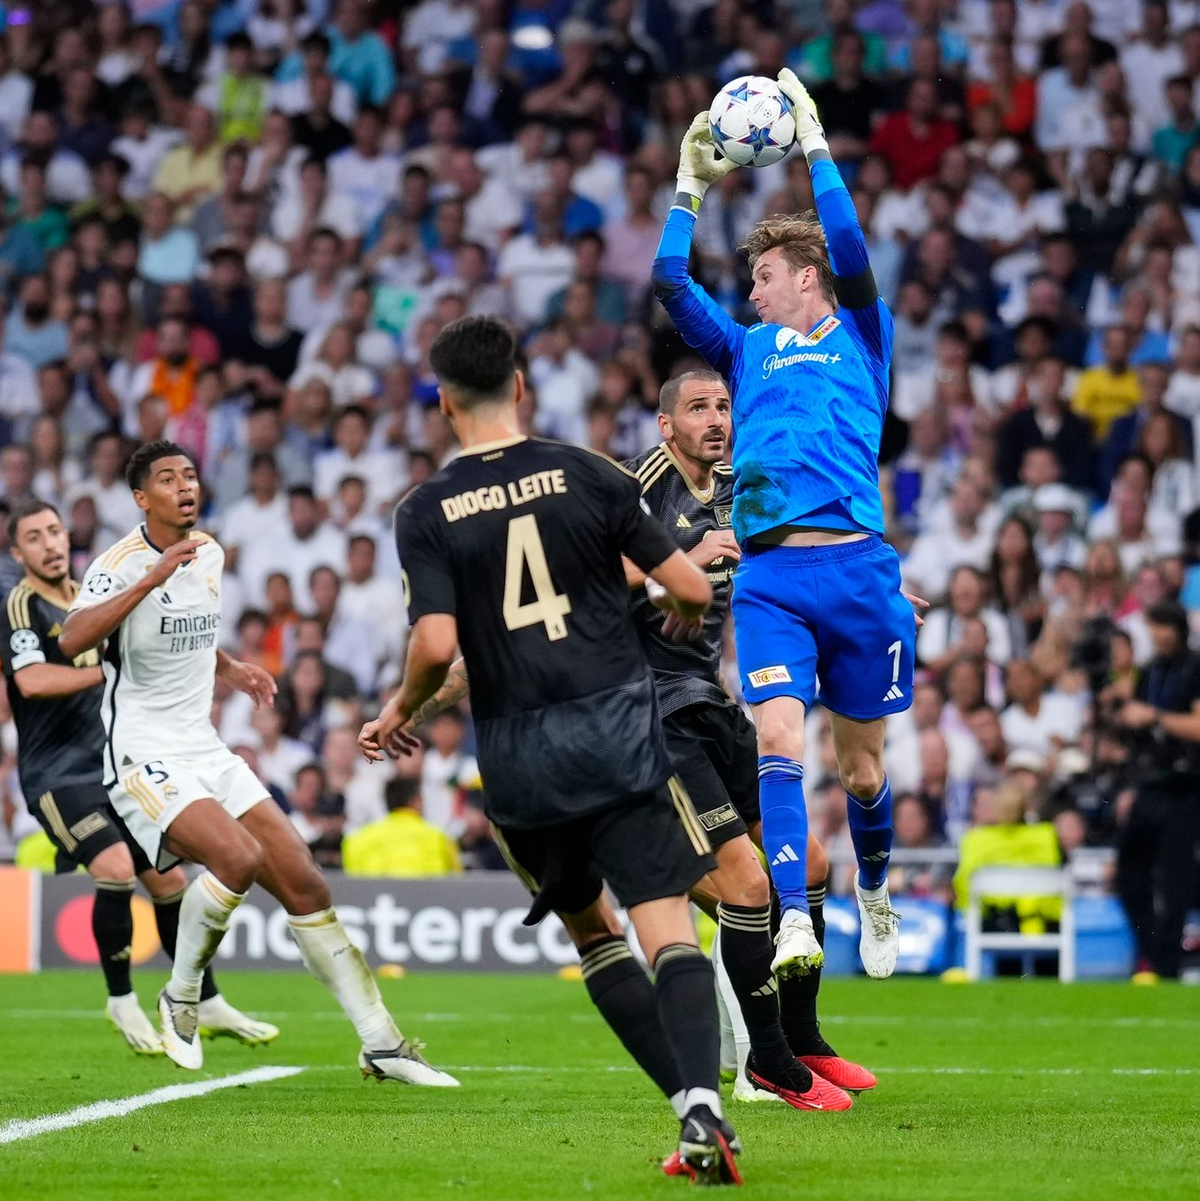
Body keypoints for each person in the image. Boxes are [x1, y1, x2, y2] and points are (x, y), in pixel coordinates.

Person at [358, 316, 742, 1183]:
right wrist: (679, 605)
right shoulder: (589, 472)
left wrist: (401, 708)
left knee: (592, 932)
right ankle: (703, 1103)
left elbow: (430, 648)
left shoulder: (424, 509)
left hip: (521, 756)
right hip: (618, 731)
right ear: (521, 387)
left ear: (446, 404)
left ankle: (684, 1108)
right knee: (667, 924)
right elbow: (687, 582)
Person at [58, 441, 456, 1089]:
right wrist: (151, 577)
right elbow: (73, 639)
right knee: (237, 858)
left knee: (306, 884)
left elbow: (190, 628)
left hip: (205, 747)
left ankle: (383, 1042)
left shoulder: (209, 550)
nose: (185, 486)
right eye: (168, 478)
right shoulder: (118, 564)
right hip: (142, 755)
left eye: (190, 474)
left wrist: (231, 666)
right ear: (141, 498)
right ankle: (180, 997)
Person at [652, 71, 917, 981]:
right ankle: (798, 919)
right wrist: (689, 187)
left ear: (807, 278)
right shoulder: (743, 346)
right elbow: (665, 279)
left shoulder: (864, 334)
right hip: (770, 579)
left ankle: (873, 889)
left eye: (763, 276)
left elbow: (847, 240)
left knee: (865, 775)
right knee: (777, 739)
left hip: (857, 570)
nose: (751, 291)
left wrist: (814, 144)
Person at [0, 498, 274, 1054]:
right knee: (117, 867)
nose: (51, 543)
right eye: (35, 538)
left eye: (54, 531)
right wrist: (107, 672)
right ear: (17, 552)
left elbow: (164, 635)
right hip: (57, 774)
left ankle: (208, 999)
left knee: (171, 883)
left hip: (113, 765)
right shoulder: (20, 606)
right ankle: (121, 1000)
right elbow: (31, 682)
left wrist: (229, 667)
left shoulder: (93, 596)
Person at [1115, 601, 1200, 981]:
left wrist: (1155, 716)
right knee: (1129, 872)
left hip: (1186, 785)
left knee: (1174, 877)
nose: (1157, 634)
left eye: (1163, 626)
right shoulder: (1150, 670)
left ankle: (1167, 962)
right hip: (1150, 781)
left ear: (1177, 629)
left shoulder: (1194, 666)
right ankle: (1154, 952)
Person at [342, 776, 461, 877]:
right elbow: (457, 881)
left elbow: (351, 883)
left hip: (374, 902)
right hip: (431, 902)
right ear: (416, 801)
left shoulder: (356, 839)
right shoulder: (440, 837)